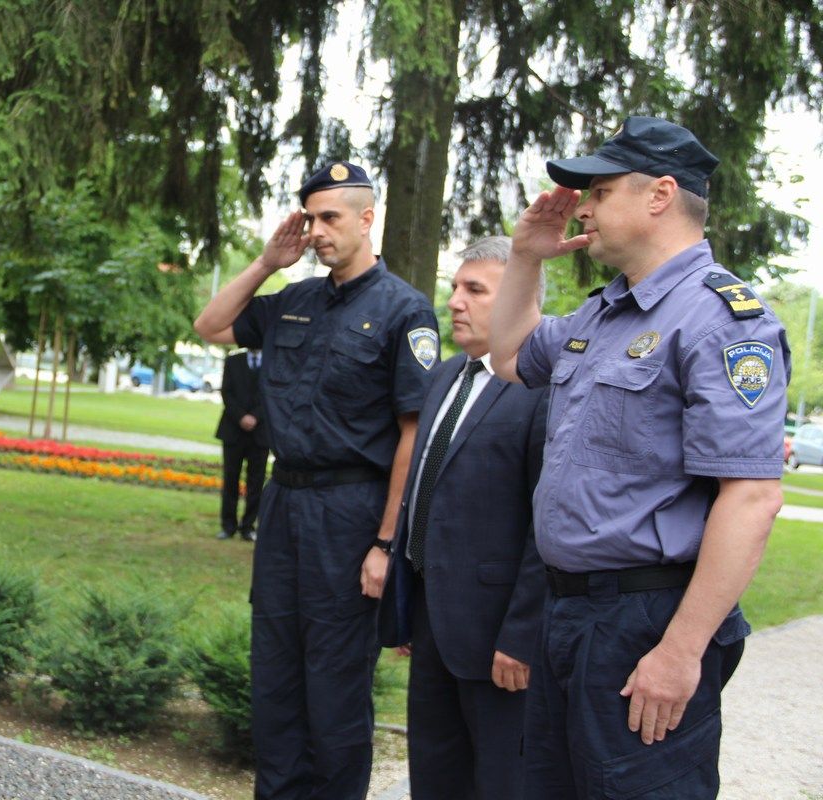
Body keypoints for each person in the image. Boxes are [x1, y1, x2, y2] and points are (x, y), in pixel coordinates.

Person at [489, 116, 789, 798]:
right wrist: (527, 258)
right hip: (570, 616)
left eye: (598, 190)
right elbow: (507, 355)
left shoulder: (720, 318)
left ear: (658, 195)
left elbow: (752, 498)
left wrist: (682, 652)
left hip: (645, 623)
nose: (583, 208)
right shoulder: (603, 314)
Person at [193, 161, 439, 799]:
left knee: (334, 690)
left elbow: (411, 435)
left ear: (367, 218)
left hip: (350, 512)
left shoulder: (404, 310)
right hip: (284, 503)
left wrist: (386, 544)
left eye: (331, 218)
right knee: (274, 679)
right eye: (311, 218)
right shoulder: (294, 301)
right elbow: (211, 326)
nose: (319, 231)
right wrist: (266, 264)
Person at [378, 235, 548, 799]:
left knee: (499, 782)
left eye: (475, 290)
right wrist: (408, 601)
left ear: (519, 297)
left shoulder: (540, 387)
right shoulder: (447, 375)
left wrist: (522, 635)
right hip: (432, 621)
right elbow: (425, 492)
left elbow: (545, 524)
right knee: (434, 775)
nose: (454, 301)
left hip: (498, 638)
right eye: (455, 287)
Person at [214, 348, 269, 541]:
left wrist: (255, 416)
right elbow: (226, 392)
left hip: (260, 432)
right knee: (230, 479)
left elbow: (273, 392)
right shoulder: (233, 360)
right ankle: (228, 526)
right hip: (233, 430)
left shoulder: (273, 360)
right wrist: (241, 417)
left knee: (256, 481)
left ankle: (248, 527)